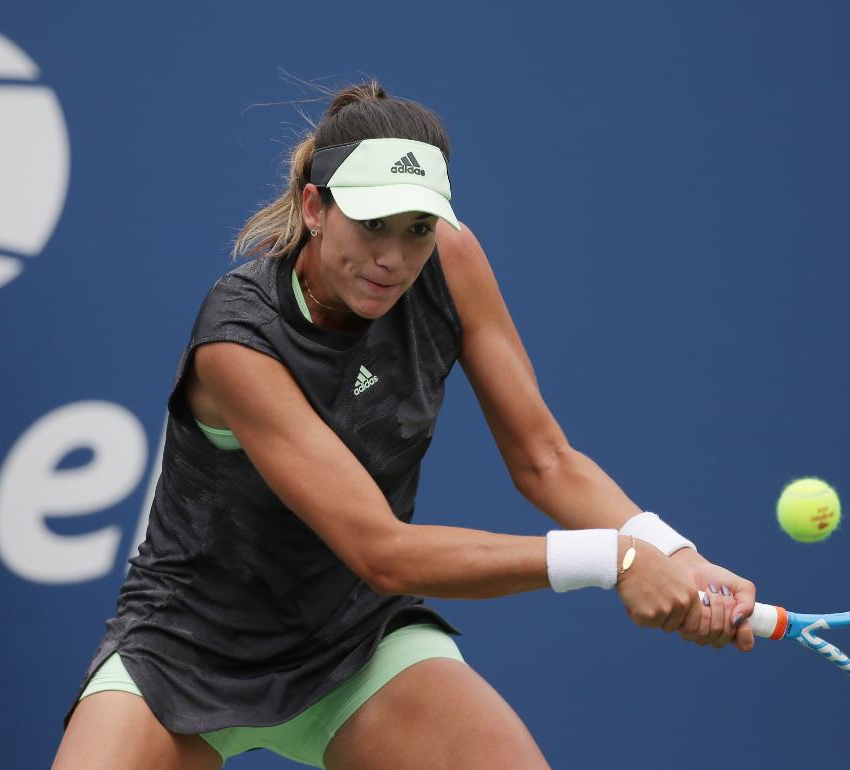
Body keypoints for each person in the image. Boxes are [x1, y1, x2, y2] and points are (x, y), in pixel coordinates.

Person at [51, 79, 756, 770]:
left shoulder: (452, 259)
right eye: (372, 224)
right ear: (315, 208)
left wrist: (674, 554)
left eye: (417, 229)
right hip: (184, 648)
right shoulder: (238, 341)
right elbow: (381, 551)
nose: (393, 258)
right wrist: (613, 559)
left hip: (357, 643)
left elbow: (545, 458)